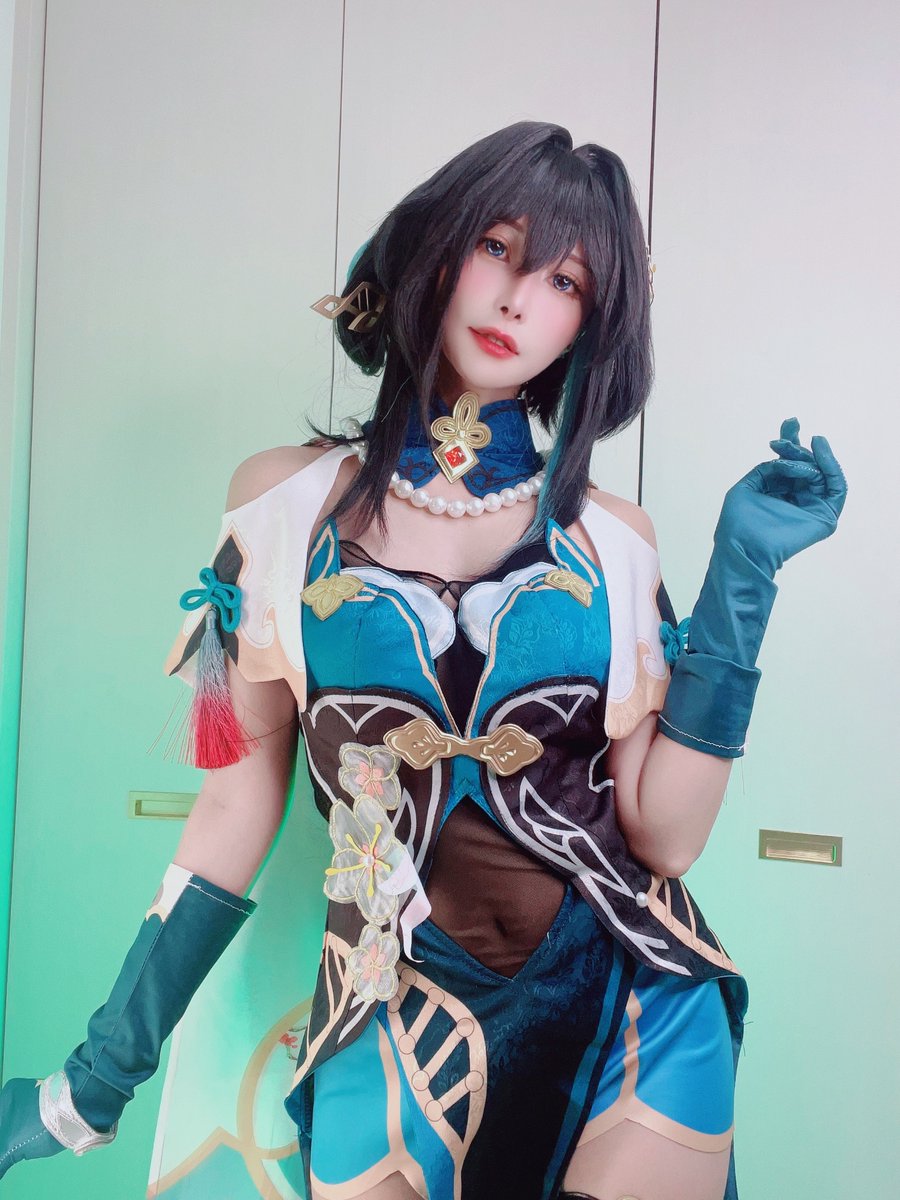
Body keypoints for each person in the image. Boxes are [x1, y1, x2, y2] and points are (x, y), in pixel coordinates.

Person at [0, 121, 846, 1200]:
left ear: (590, 323)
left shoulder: (614, 541)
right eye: (499, 247)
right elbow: (234, 804)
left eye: (565, 282)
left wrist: (742, 581)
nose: (517, 300)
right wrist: (95, 1077)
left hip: (631, 1003)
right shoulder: (282, 504)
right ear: (441, 251)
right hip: (382, 1004)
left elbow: (665, 835)